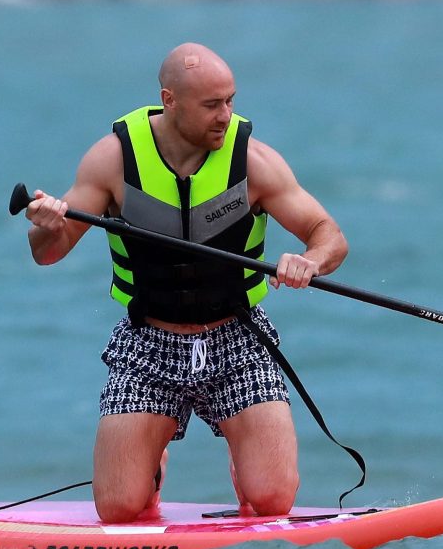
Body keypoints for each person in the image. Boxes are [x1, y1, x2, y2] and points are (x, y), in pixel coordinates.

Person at [23, 42, 348, 523]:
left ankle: (246, 467)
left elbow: (330, 235)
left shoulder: (253, 161)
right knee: (119, 509)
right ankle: (151, 460)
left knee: (273, 501)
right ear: (170, 100)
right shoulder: (113, 160)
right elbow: (48, 254)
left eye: (231, 100)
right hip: (149, 342)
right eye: (212, 105)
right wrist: (47, 226)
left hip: (237, 340)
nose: (226, 115)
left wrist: (310, 262)